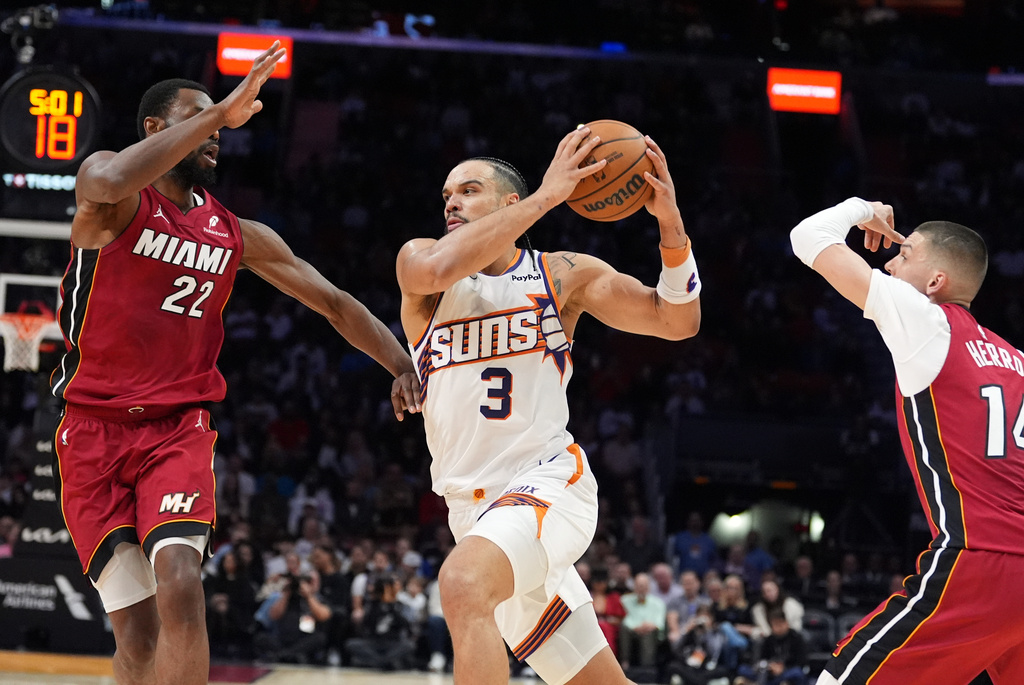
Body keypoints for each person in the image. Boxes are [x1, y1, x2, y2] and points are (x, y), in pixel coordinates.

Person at [50, 44, 419, 685]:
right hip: (91, 433)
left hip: (176, 429)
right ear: (155, 130)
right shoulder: (112, 194)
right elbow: (107, 180)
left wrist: (399, 362)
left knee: (182, 582)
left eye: (217, 125)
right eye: (199, 121)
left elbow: (331, 301)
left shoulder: (236, 233)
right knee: (136, 644)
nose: (217, 135)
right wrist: (218, 108)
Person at [393, 127, 702, 684]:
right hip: (471, 511)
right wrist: (549, 197)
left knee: (463, 585)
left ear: (510, 203)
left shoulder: (562, 275)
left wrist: (670, 224)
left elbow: (677, 322)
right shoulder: (422, 265)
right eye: (447, 196)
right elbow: (438, 268)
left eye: (468, 191)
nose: (453, 203)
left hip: (547, 484)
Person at [790, 197, 1024, 684]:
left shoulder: (928, 320)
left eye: (905, 252)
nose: (889, 259)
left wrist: (862, 208)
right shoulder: (1016, 359)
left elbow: (807, 238)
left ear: (935, 282)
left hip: (981, 562)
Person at [734, 609, 808, 685]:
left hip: (787, 671)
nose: (778, 627)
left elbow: (801, 661)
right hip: (769, 672)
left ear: (786, 623)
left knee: (797, 672)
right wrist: (771, 666)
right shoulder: (769, 639)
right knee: (742, 669)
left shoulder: (796, 638)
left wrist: (783, 668)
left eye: (780, 624)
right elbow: (761, 659)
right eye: (775, 625)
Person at [618, 572, 668, 671]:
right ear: (634, 587)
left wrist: (649, 626)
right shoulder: (625, 600)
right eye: (638, 586)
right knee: (624, 628)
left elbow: (660, 623)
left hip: (652, 632)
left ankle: (647, 668)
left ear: (649, 587)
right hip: (632, 630)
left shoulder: (658, 603)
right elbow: (625, 619)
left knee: (648, 633)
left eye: (644, 586)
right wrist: (635, 627)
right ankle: (625, 662)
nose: (641, 589)